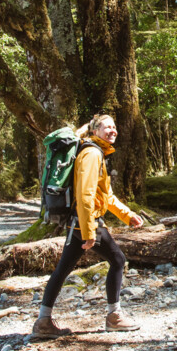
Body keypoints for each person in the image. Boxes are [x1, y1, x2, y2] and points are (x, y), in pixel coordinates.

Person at [32, 114, 145, 338]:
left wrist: (128, 215)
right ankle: (115, 317)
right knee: (118, 260)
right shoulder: (92, 153)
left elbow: (106, 196)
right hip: (86, 221)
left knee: (63, 269)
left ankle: (43, 321)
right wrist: (89, 231)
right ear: (95, 131)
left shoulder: (95, 152)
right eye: (107, 127)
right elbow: (85, 195)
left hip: (79, 222)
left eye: (115, 126)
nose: (113, 130)